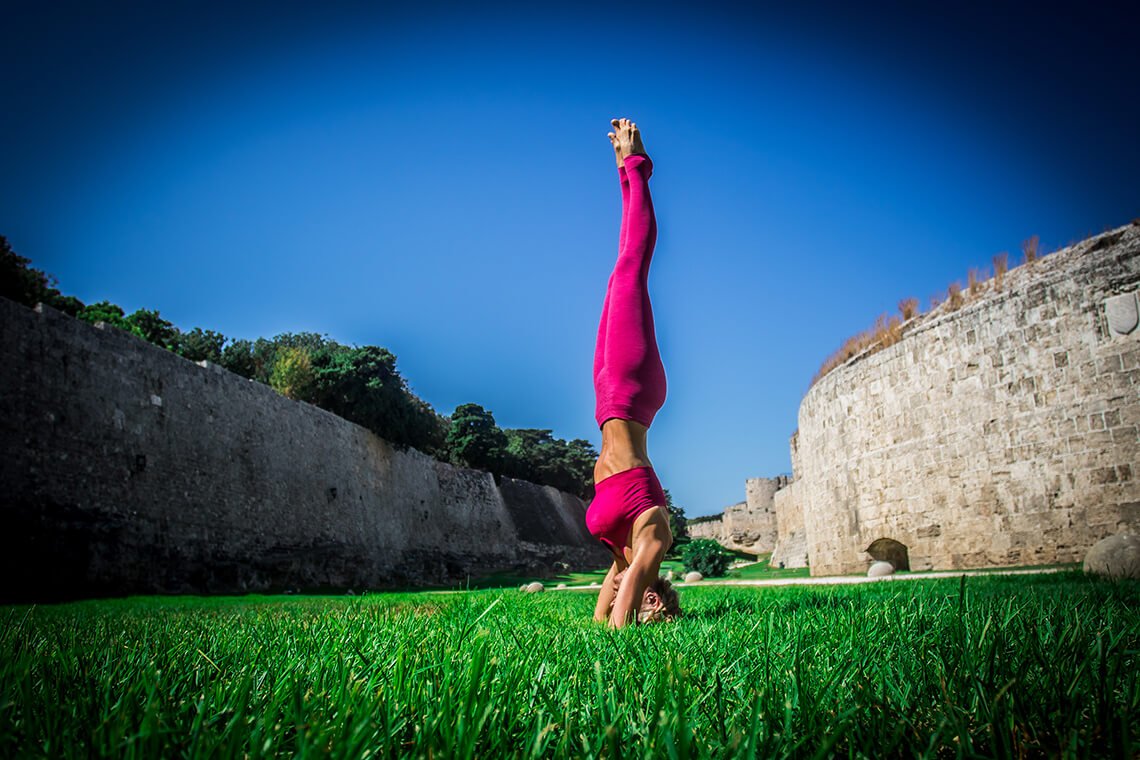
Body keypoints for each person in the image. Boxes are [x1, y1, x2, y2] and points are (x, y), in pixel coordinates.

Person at [586, 118, 681, 627]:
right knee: (630, 269)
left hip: (607, 398)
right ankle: (638, 166)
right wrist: (628, 611)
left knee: (616, 274)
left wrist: (612, 604)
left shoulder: (622, 558)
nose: (639, 597)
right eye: (653, 600)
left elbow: (602, 619)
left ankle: (624, 173)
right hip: (634, 391)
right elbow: (620, 615)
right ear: (658, 594)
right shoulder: (654, 539)